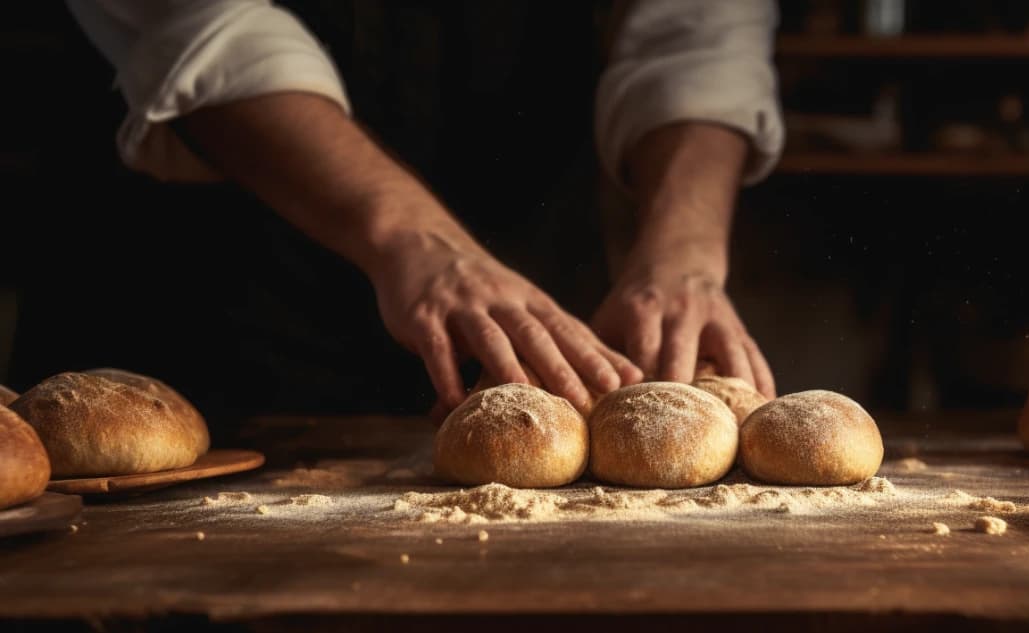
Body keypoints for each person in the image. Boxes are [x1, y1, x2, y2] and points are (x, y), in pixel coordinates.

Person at [58, 0, 784, 422]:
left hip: (535, 299)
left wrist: (683, 250)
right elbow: (203, 21)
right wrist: (412, 237)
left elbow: (698, 27)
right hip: (208, 289)